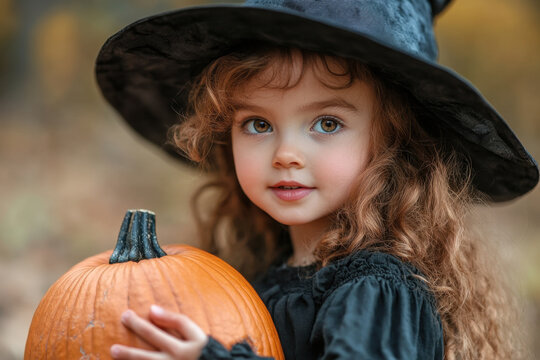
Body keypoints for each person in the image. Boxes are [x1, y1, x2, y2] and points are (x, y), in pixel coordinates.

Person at [94, 1, 539, 359]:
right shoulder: (255, 274)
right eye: (258, 124)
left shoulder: (377, 291)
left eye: (326, 124)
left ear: (394, 142)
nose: (286, 154)